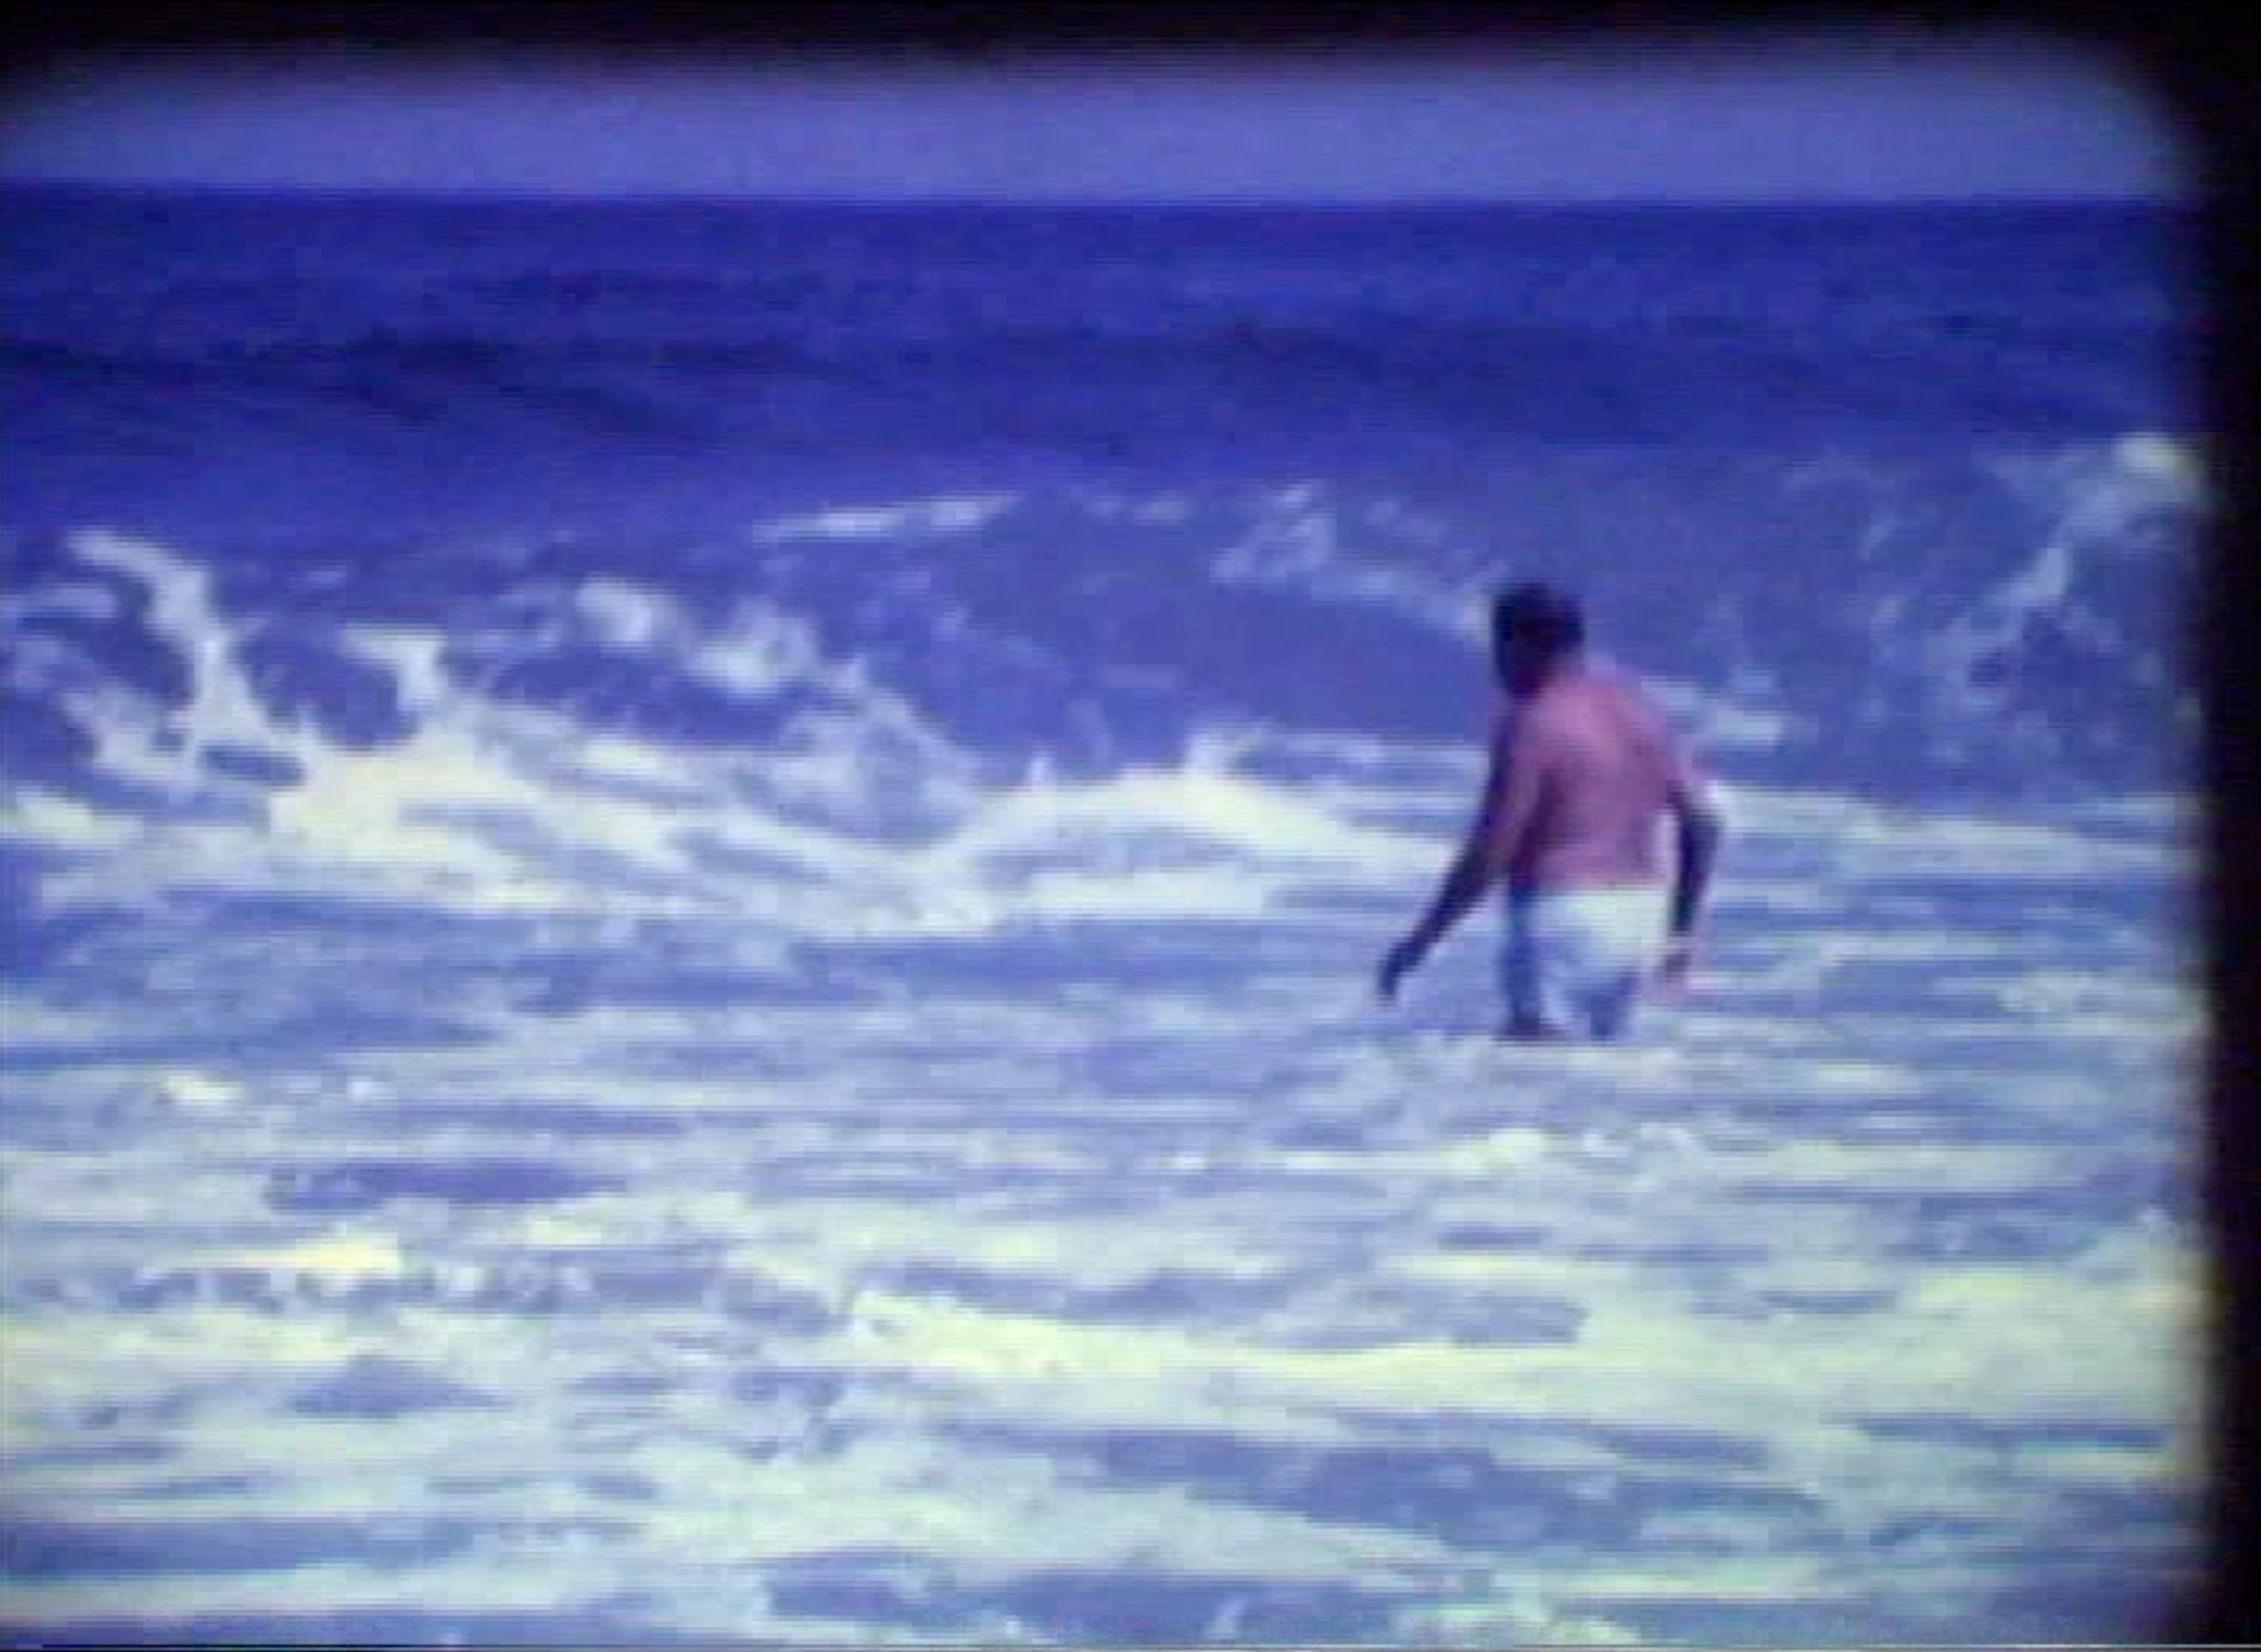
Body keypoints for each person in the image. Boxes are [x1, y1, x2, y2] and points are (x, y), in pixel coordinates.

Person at [1377, 581, 1725, 1041]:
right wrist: (1680, 934)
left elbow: (1492, 850)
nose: (1495, 666)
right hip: (1639, 917)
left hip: (1561, 918)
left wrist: (1421, 941)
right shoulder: (1637, 710)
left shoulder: (1533, 720)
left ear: (1520, 646)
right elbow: (1703, 822)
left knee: (1534, 1077)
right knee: (1604, 1075)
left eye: (1498, 649)